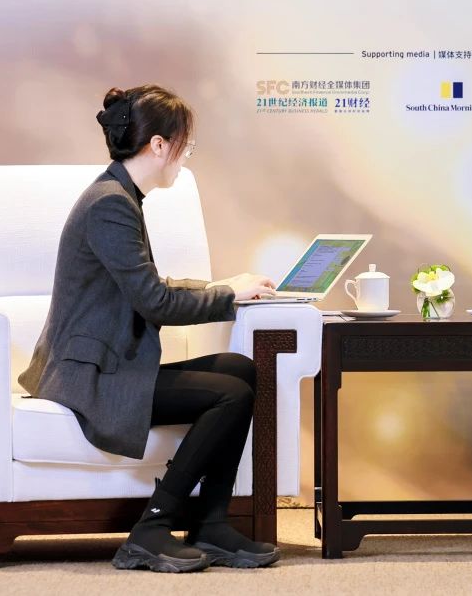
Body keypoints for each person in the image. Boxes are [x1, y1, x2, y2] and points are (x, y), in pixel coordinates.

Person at [19, 84, 282, 573]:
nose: (185, 157)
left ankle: (212, 525)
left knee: (240, 369)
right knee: (230, 395)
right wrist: (227, 297)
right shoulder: (110, 204)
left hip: (106, 368)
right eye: (185, 145)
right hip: (90, 379)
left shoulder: (119, 195)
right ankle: (151, 529)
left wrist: (224, 285)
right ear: (159, 145)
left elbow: (148, 285)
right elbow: (155, 302)